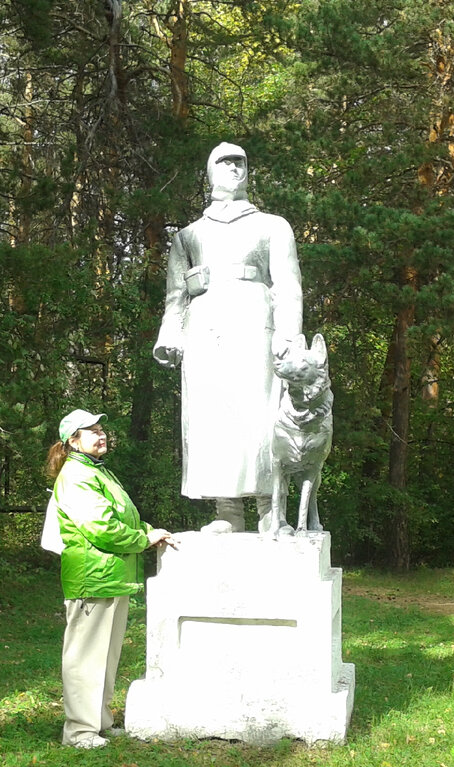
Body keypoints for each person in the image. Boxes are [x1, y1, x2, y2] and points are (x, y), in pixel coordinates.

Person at [153, 142, 304, 533]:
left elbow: (287, 285)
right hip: (205, 330)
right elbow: (176, 294)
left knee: (262, 416)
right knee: (212, 419)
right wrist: (169, 335)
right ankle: (227, 511)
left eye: (240, 162)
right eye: (224, 162)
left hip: (256, 324)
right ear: (210, 171)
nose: (234, 168)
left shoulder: (273, 225)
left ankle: (272, 510)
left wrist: (289, 334)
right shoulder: (188, 235)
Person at [45, 408, 176, 749]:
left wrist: (151, 532)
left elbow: (123, 518)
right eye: (92, 431)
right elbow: (101, 528)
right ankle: (79, 731)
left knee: (105, 657)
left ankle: (98, 723)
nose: (101, 435)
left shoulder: (98, 472)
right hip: (92, 579)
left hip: (110, 578)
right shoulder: (76, 476)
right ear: (73, 441)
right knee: (84, 658)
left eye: (101, 429)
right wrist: (141, 540)